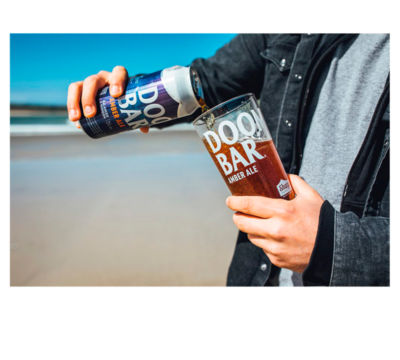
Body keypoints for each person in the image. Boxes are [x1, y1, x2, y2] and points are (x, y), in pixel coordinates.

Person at [67, 34, 390, 286]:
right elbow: (204, 85)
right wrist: (120, 96)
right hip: (258, 276)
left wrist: (336, 246)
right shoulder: (288, 31)